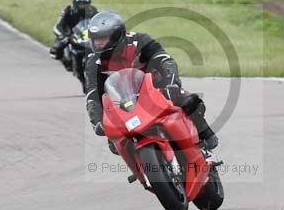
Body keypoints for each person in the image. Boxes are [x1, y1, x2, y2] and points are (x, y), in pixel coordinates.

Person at [84, 11, 219, 152]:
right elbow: (93, 94)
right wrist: (98, 121)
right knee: (114, 143)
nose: (98, 43)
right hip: (124, 104)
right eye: (95, 39)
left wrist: (171, 84)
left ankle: (206, 138)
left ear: (117, 35)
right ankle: (141, 170)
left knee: (189, 102)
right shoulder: (94, 62)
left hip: (156, 90)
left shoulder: (140, 41)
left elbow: (165, 60)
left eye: (103, 38)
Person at [49, 0, 98, 69]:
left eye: (84, 3)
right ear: (75, 2)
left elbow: (99, 23)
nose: (82, 5)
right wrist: (63, 36)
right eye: (80, 3)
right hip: (70, 34)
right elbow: (57, 27)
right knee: (55, 50)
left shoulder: (93, 11)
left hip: (85, 35)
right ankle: (66, 62)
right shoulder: (68, 10)